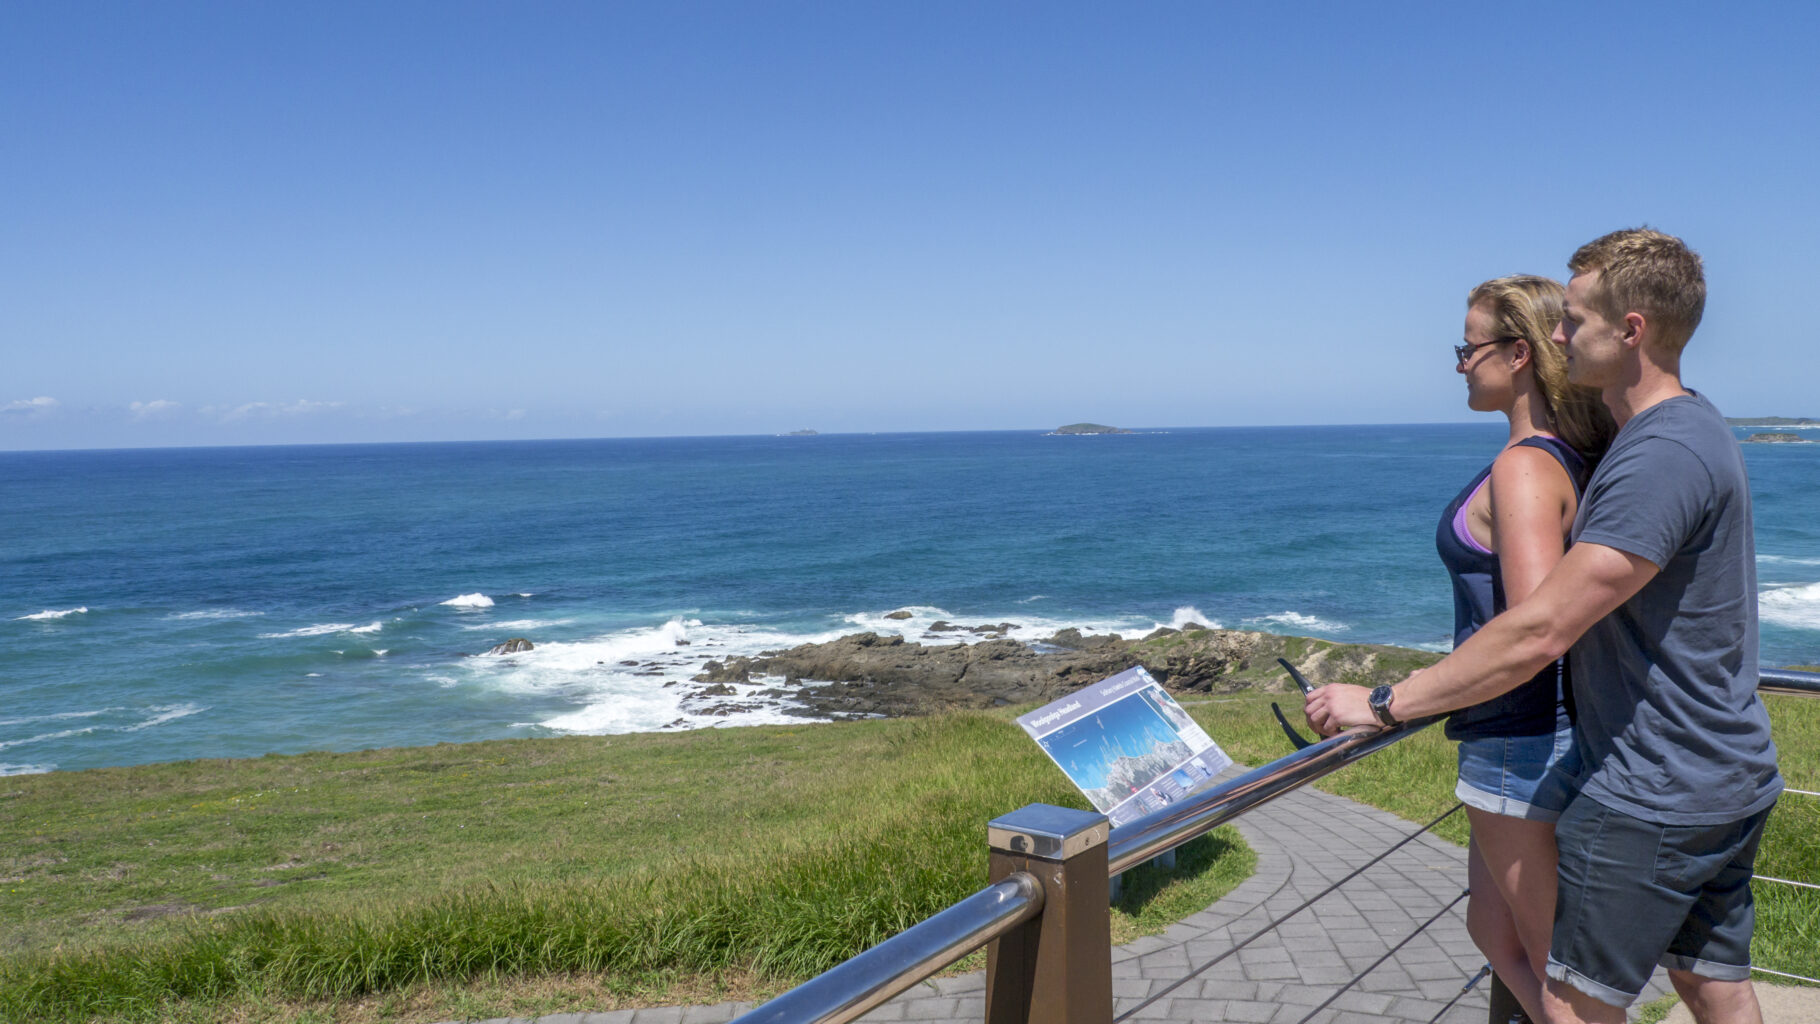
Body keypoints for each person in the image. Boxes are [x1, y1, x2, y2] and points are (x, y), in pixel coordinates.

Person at [1305, 228, 1783, 1024]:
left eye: (1575, 319)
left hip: (1655, 783)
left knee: (1570, 1003)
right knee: (1712, 985)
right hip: (1715, 768)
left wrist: (1386, 702)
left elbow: (1537, 632)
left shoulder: (1654, 452)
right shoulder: (1674, 434)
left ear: (1629, 329)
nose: (1560, 336)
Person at [1438, 274, 1614, 1024]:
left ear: (1516, 355)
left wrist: (1390, 698)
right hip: (1520, 732)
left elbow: (1536, 628)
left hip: (1520, 735)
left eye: (1466, 347)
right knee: (1494, 930)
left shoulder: (1526, 467)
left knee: (1555, 970)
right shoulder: (1568, 455)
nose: (1457, 364)